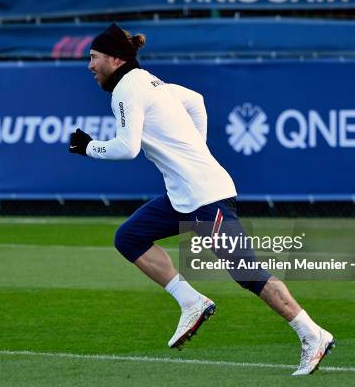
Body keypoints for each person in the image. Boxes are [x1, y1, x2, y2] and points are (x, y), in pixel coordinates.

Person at [68, 23, 334, 376]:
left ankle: (312, 333)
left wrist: (88, 147)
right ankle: (191, 301)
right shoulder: (151, 82)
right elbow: (197, 101)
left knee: (247, 273)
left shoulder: (126, 89)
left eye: (94, 57)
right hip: (185, 195)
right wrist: (197, 151)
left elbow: (127, 148)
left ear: (115, 60)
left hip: (205, 196)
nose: (90, 65)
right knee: (129, 238)